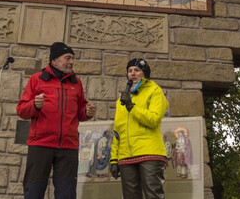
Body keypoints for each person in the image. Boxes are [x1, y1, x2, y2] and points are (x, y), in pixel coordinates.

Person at [17, 42, 96, 199]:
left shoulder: (76, 83)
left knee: (67, 194)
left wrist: (87, 112)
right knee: (34, 192)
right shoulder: (36, 79)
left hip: (68, 147)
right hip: (40, 144)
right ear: (54, 60)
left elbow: (80, 110)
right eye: (67, 58)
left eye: (72, 58)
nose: (71, 62)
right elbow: (21, 111)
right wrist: (34, 105)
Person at [110, 58, 169, 199]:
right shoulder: (122, 99)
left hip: (150, 153)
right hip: (126, 156)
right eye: (129, 71)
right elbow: (117, 131)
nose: (133, 73)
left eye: (137, 70)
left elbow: (154, 120)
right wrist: (113, 159)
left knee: (153, 195)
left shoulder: (155, 91)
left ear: (145, 73)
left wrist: (131, 107)